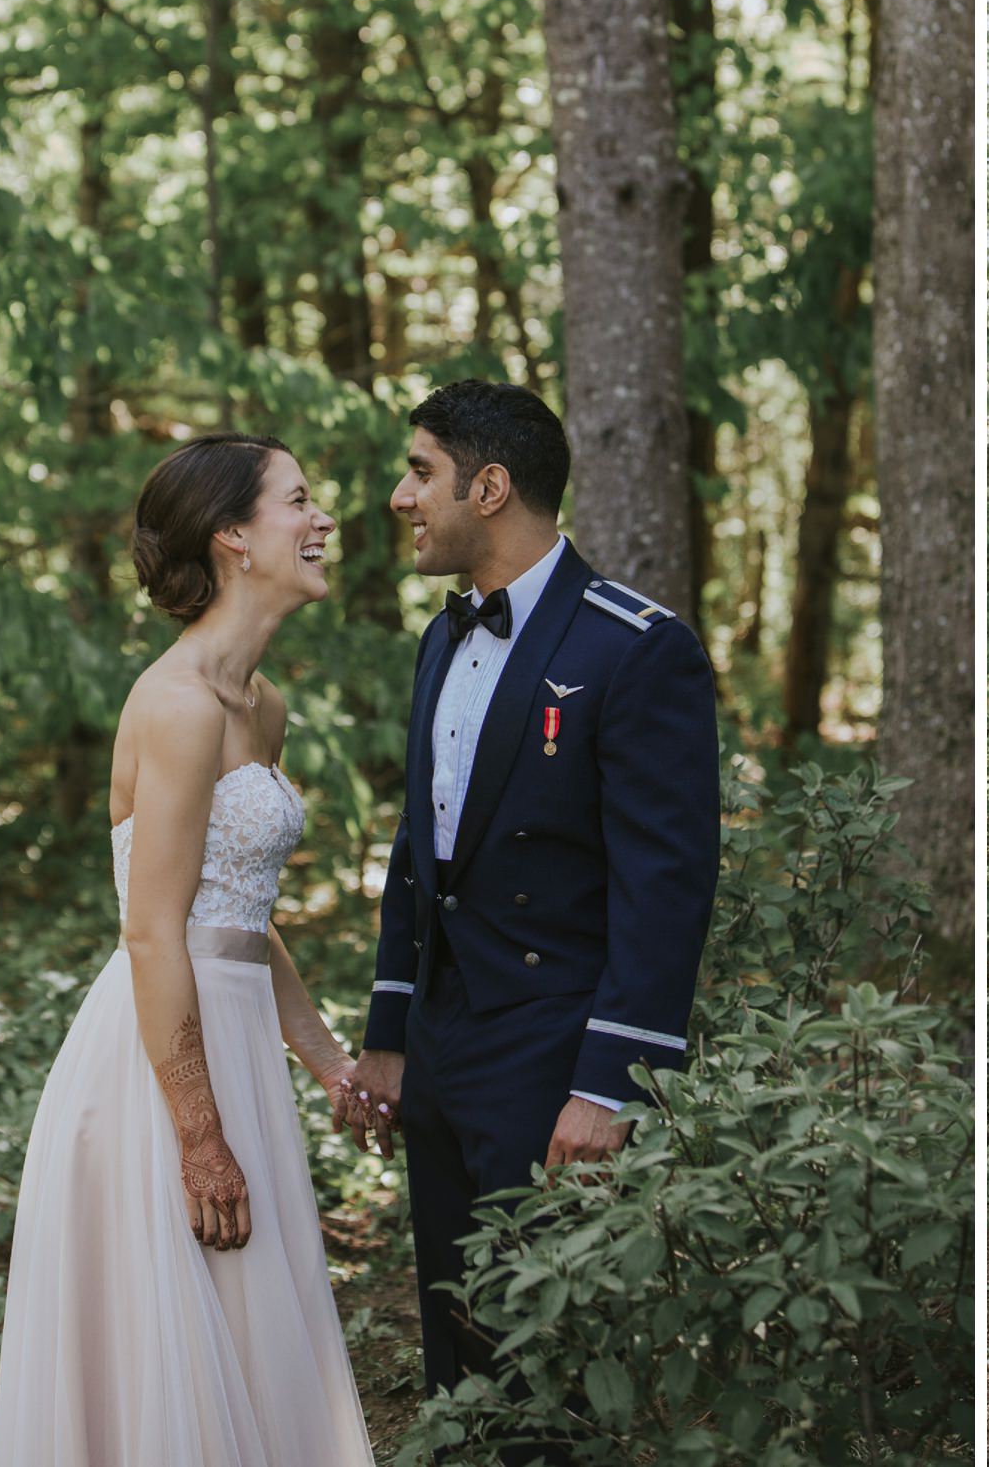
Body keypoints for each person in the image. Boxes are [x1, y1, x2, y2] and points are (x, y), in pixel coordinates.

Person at [331, 380, 720, 1439]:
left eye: (420, 472)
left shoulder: (636, 649)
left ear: (489, 487)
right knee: (460, 1345)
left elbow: (666, 890)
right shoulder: (440, 640)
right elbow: (419, 856)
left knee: (552, 1361)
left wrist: (612, 1086)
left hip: (557, 1055)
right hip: (447, 1047)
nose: (400, 496)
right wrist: (389, 1039)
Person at [0, 434, 373, 1466]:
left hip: (238, 1033)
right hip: (162, 1058)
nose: (323, 520)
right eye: (301, 501)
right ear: (236, 538)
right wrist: (198, 1135)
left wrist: (329, 1062)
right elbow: (154, 930)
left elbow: (241, 923)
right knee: (182, 1333)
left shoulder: (264, 706)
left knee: (254, 1328)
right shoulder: (175, 704)